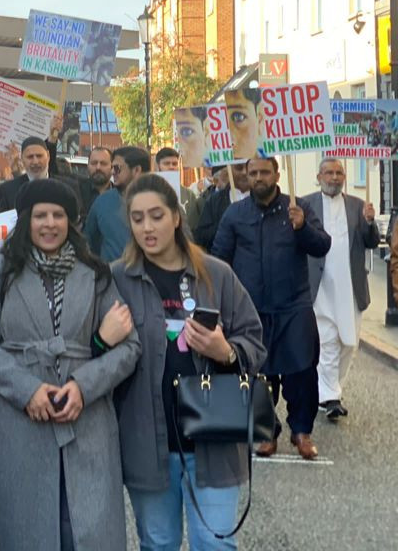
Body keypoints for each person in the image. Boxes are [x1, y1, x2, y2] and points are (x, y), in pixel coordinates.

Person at [0, 179, 141, 550]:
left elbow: (129, 348)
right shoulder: (1, 269)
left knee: (85, 529)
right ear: (26, 220)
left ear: (71, 221)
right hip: (17, 420)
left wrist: (84, 385)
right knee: (22, 529)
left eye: (58, 215)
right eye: (40, 215)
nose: (49, 224)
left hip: (87, 419)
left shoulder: (95, 272)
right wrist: (27, 390)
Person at [113, 173, 266, 549]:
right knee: (158, 543)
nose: (147, 228)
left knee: (215, 544)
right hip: (148, 443)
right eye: (137, 218)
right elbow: (95, 354)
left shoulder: (216, 274)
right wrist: (104, 338)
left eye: (156, 216)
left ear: (176, 218)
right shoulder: (117, 279)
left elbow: (255, 343)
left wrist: (225, 352)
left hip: (214, 440)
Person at [211, 157, 331, 460]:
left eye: (265, 172)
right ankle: (267, 432)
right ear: (246, 176)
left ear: (277, 174)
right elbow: (219, 258)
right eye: (253, 173)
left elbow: (321, 246)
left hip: (294, 306)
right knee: (256, 374)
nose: (259, 177)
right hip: (251, 310)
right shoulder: (235, 213)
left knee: (302, 370)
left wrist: (302, 227)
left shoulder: (298, 207)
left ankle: (301, 431)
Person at [302, 158, 379, 420]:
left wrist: (370, 222)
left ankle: (331, 389)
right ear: (319, 175)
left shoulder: (358, 206)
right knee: (327, 342)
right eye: (329, 172)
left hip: (350, 286)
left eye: (339, 173)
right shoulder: (304, 204)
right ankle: (331, 397)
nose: (334, 177)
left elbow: (371, 242)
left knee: (349, 343)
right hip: (319, 286)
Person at [85, 145, 150, 262]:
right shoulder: (102, 202)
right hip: (111, 277)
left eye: (117, 168)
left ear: (136, 170)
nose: (113, 172)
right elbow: (88, 242)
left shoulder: (164, 202)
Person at [193, 163, 250, 251]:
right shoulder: (214, 200)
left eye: (248, 168)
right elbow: (201, 238)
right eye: (239, 168)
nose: (244, 172)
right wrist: (225, 224)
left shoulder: (262, 197)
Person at [0, 136, 51, 212]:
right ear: (22, 159)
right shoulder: (7, 190)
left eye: (39, 156)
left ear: (48, 156)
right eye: (30, 157)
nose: (35, 162)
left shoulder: (66, 186)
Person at [79, 146, 112, 221]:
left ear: (112, 166)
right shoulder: (76, 191)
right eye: (94, 163)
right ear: (88, 165)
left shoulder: (121, 195)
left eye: (103, 163)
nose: (98, 167)